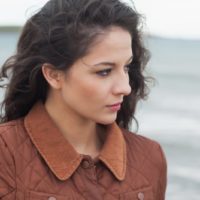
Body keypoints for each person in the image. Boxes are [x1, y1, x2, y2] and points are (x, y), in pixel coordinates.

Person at [0, 0, 167, 199]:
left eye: (127, 68)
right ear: (53, 75)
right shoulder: (6, 154)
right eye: (104, 72)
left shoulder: (150, 157)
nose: (125, 87)